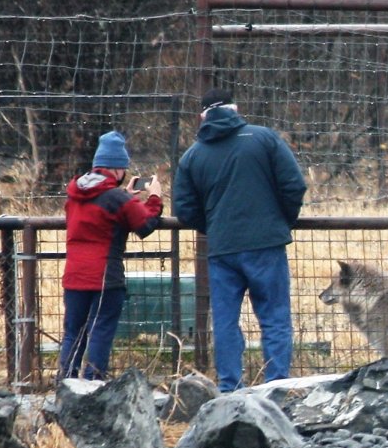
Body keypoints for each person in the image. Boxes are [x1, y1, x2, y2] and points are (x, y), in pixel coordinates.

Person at [173, 89, 306, 391]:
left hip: (222, 250)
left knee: (225, 322)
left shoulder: (192, 156)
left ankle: (230, 389)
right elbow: (294, 186)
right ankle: (276, 388)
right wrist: (280, 220)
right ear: (236, 109)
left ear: (201, 117)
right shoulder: (264, 139)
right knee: (274, 318)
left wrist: (215, 226)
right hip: (265, 245)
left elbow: (184, 210)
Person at [59, 131, 163, 383]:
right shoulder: (116, 198)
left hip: (74, 276)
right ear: (118, 170)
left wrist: (127, 198)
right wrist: (155, 197)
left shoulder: (74, 194)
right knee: (100, 330)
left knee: (74, 332)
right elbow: (145, 225)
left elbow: (102, 214)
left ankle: (66, 382)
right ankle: (94, 383)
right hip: (105, 277)